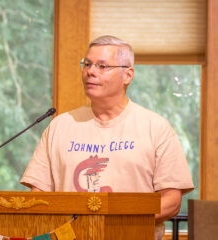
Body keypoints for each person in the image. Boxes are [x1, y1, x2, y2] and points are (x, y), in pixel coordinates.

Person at [20, 35, 194, 239]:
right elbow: (37, 196)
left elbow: (171, 201)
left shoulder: (155, 127)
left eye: (102, 66)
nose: (90, 72)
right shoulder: (59, 126)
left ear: (127, 75)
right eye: (87, 64)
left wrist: (112, 220)